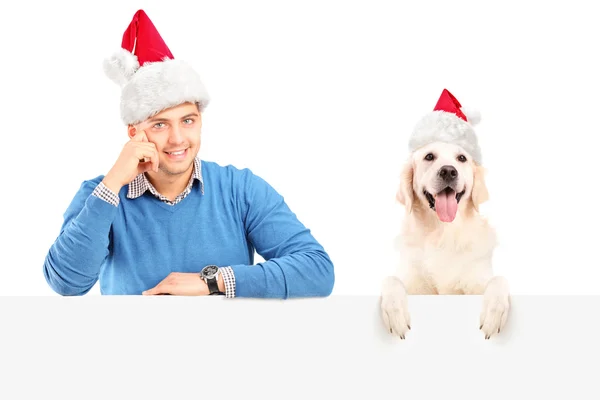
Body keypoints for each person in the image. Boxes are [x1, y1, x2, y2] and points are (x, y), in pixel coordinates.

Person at [43, 9, 335, 298]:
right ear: (134, 133)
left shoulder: (239, 189)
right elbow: (67, 283)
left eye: (187, 120)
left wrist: (216, 280)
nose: (178, 139)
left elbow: (317, 269)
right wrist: (113, 183)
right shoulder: (100, 194)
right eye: (160, 124)